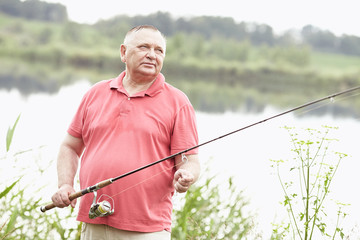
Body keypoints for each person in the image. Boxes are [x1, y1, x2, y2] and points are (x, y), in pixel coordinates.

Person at [50, 25, 200, 240]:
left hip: (148, 229)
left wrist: (187, 175)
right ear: (123, 52)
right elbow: (70, 146)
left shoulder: (178, 102)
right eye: (143, 47)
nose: (151, 54)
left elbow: (189, 160)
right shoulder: (95, 93)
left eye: (159, 50)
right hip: (94, 220)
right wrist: (65, 184)